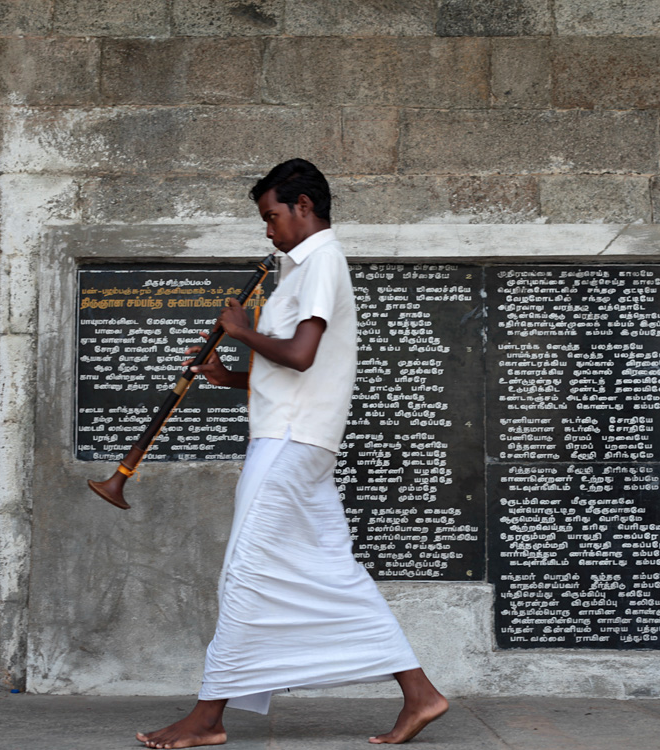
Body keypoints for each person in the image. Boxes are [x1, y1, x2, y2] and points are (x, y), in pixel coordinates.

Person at [136, 159, 447, 749]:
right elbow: (297, 369)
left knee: (246, 572)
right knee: (329, 572)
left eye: (271, 216)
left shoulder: (322, 259)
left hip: (288, 442)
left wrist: (240, 327)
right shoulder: (300, 267)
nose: (268, 230)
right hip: (294, 437)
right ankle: (420, 694)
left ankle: (207, 718)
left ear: (303, 207)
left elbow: (301, 354)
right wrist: (228, 375)